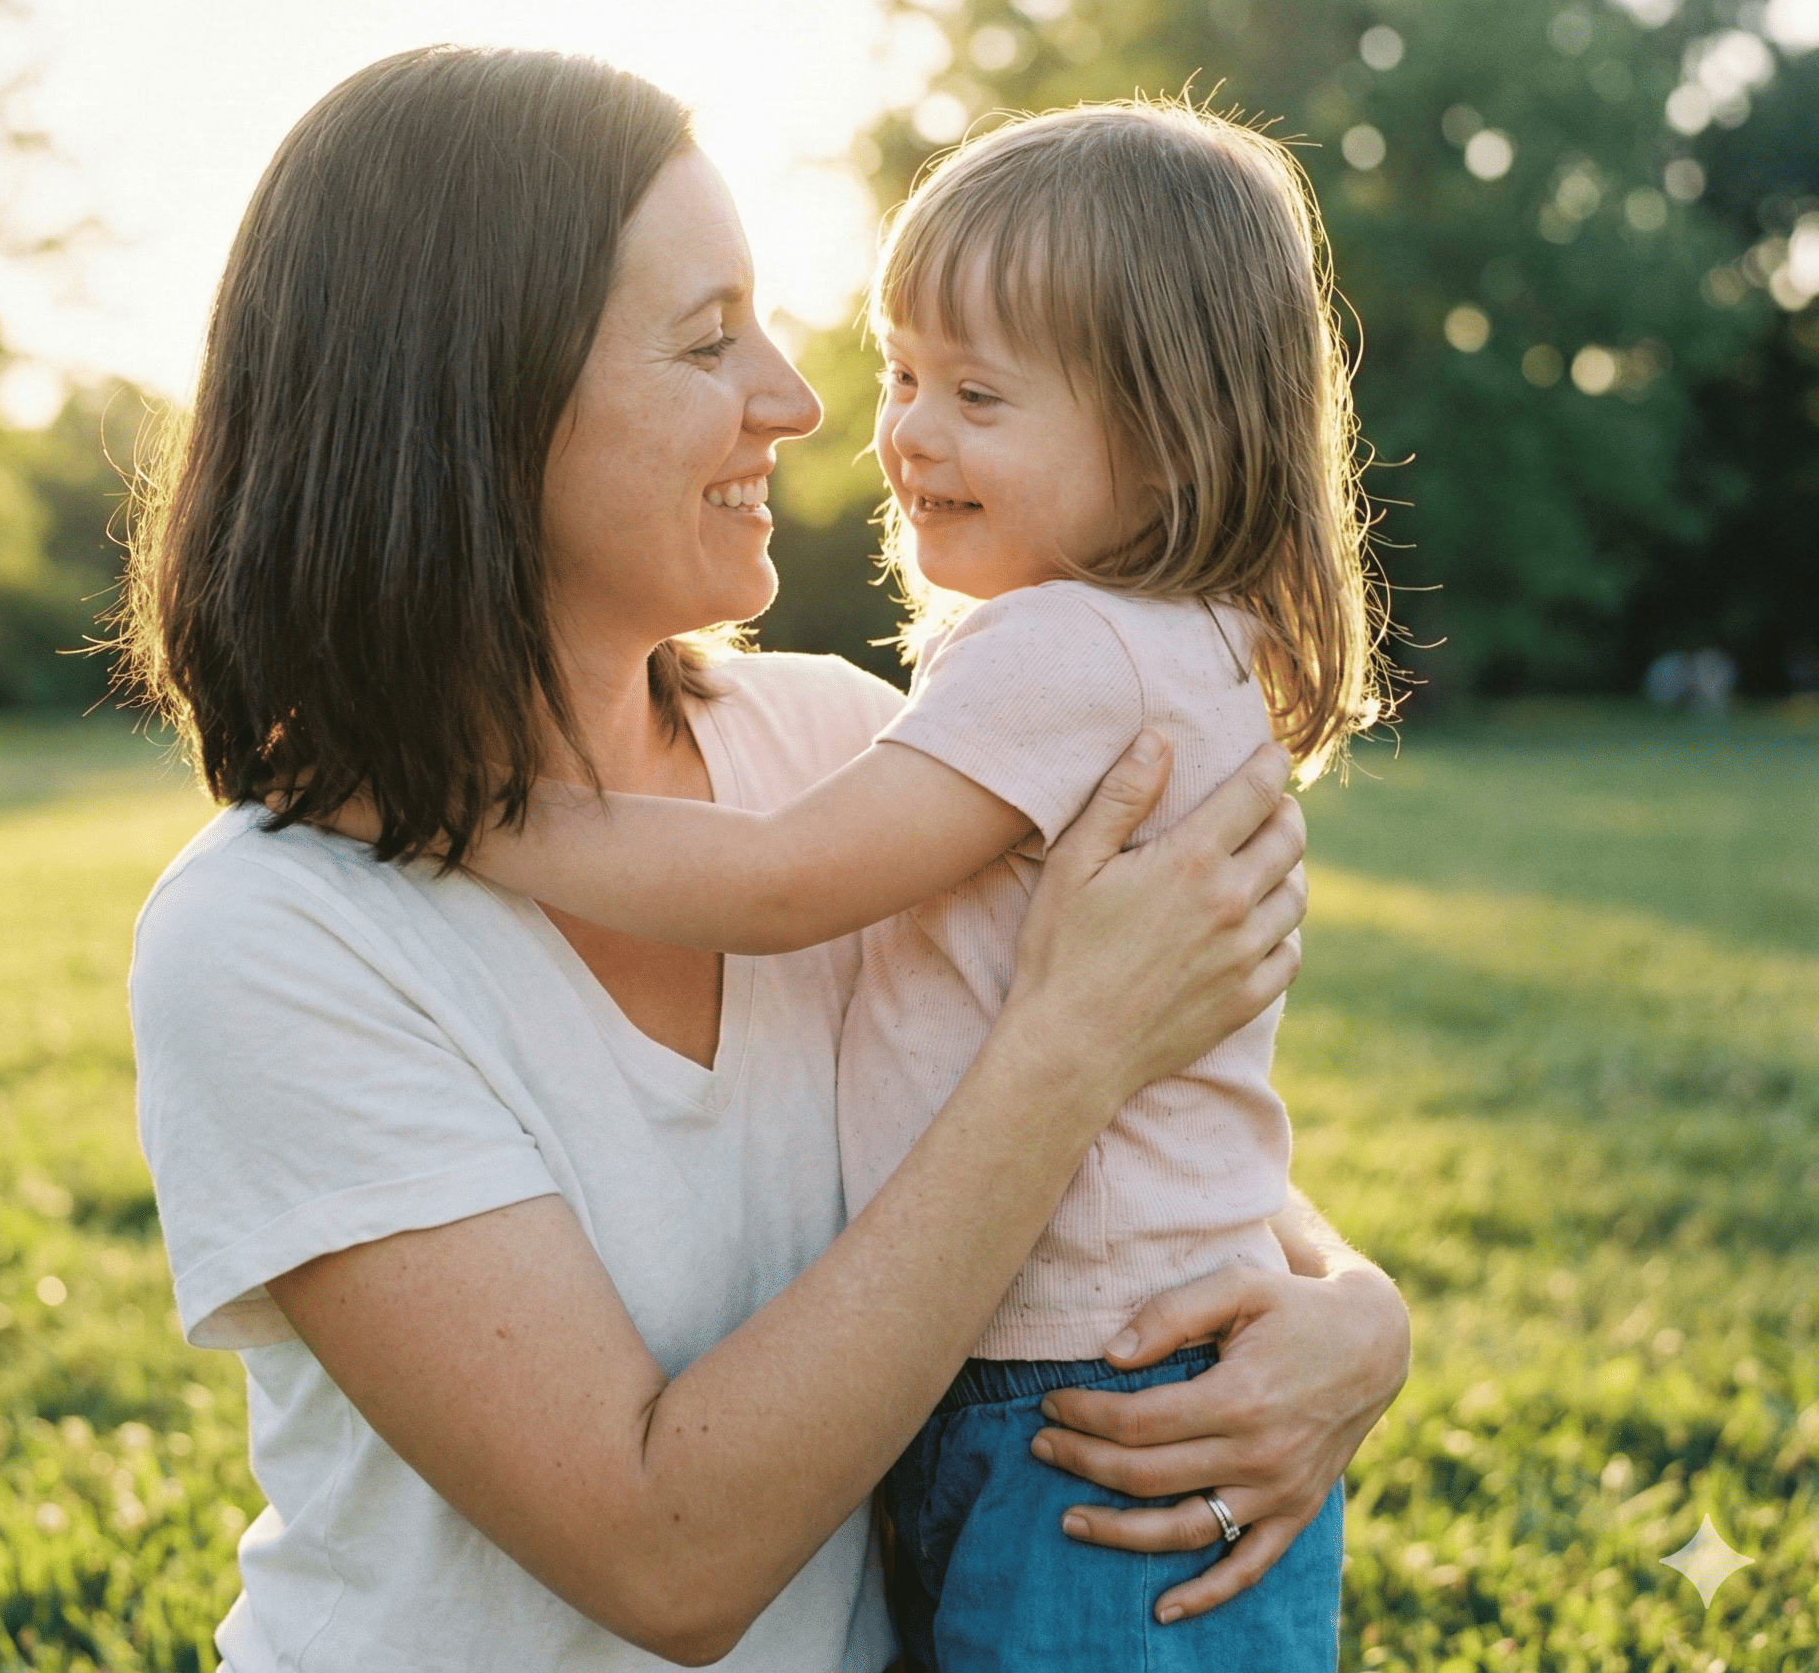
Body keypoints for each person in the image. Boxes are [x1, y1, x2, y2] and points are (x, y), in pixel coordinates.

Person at [122, 46, 1409, 1672]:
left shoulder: (829, 742)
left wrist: (1358, 1315)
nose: (803, 406)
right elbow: (669, 1565)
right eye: (706, 338)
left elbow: (1143, 1135)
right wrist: (1068, 1046)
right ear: (471, 405)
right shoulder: (275, 927)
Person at [452, 100, 1381, 1668]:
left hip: (1074, 1399)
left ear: (1166, 438)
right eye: (902, 373)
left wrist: (456, 813)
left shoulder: (1067, 647)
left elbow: (775, 880)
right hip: (1107, 1366)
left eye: (976, 393)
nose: (900, 433)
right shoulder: (1176, 644)